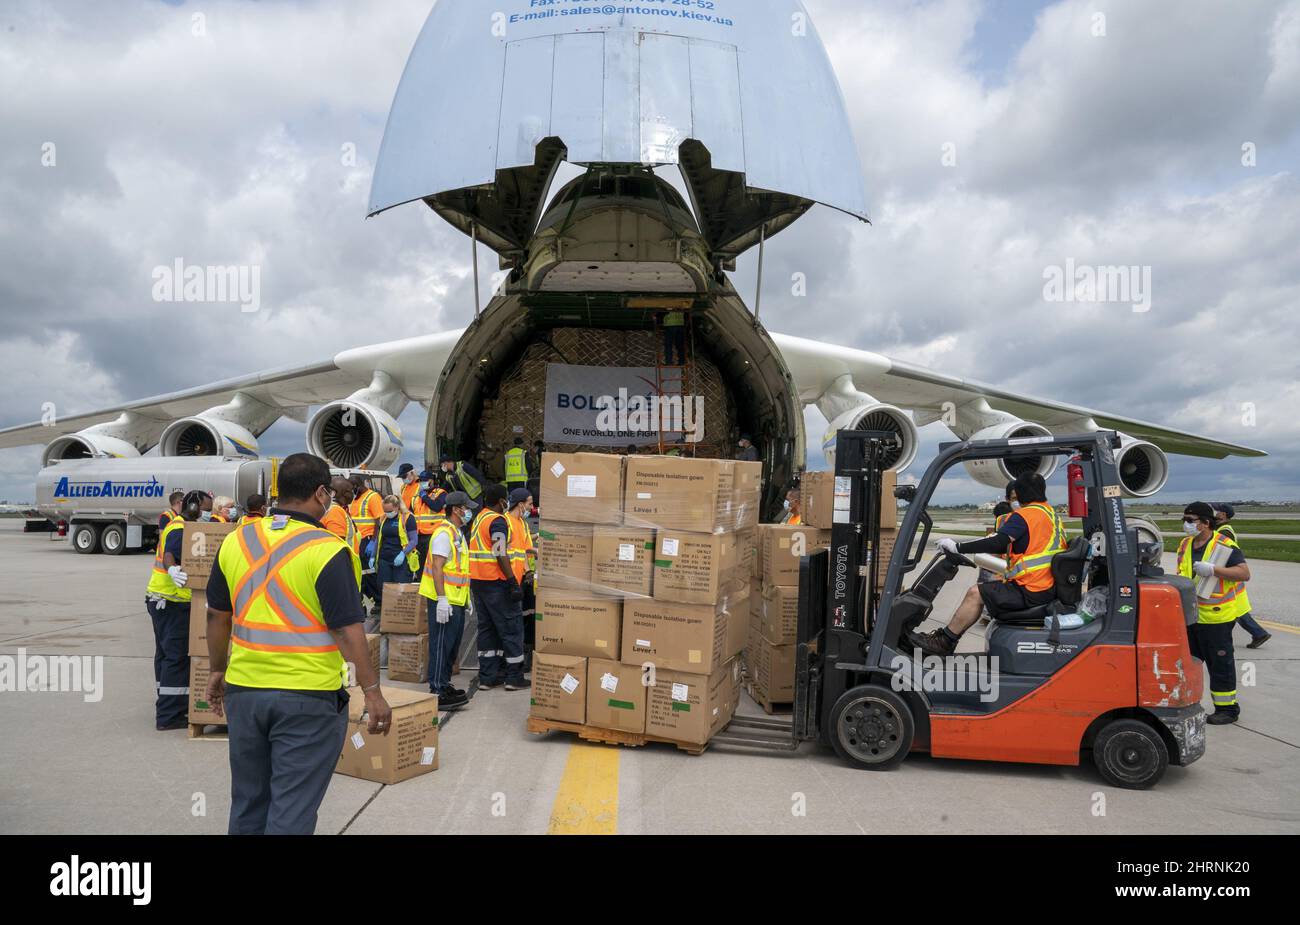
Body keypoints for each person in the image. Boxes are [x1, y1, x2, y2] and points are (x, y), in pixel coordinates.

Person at [202, 453, 391, 835]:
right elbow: (348, 631)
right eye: (330, 496)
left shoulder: (237, 539)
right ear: (321, 493)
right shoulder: (328, 549)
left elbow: (216, 616)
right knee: (292, 809)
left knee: (248, 803)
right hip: (307, 698)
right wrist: (372, 692)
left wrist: (218, 669)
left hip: (245, 692)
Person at [907, 473, 1067, 657]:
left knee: (975, 593)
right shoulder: (1051, 515)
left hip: (1031, 589)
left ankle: (944, 642)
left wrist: (957, 547)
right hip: (1043, 587)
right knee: (984, 589)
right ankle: (946, 640)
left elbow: (998, 543)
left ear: (1021, 494)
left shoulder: (1025, 516)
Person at [1179, 502, 1252, 725]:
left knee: (1219, 665)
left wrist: (1214, 570)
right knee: (1190, 661)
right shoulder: (1185, 544)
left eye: (1190, 520)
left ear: (1205, 523)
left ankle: (1227, 709)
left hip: (1217, 616)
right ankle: (1190, 701)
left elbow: (1243, 573)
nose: (1186, 524)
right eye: (1185, 519)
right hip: (1192, 615)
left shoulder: (1224, 544)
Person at [144, 489, 209, 730]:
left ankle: (166, 702)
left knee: (164, 655)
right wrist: (172, 569)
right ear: (193, 507)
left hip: (160, 599)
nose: (206, 514)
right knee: (176, 657)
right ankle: (170, 715)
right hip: (172, 601)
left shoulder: (180, 525)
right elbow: (170, 553)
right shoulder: (181, 528)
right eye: (204, 508)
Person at [468, 483, 528, 691]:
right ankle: (514, 677)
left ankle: (488, 676)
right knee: (511, 629)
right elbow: (499, 551)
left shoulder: (479, 518)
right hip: (497, 583)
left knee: (487, 629)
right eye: (505, 500)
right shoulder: (497, 521)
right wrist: (512, 581)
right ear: (501, 501)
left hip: (478, 582)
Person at [420, 491, 476, 710]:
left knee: (451, 647)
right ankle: (437, 690)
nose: (468, 511)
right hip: (444, 600)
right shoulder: (444, 533)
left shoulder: (456, 532)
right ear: (456, 509)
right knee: (441, 645)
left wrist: (466, 597)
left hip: (457, 599)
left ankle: (444, 683)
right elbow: (437, 567)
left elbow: (459, 569)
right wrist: (442, 599)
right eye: (466, 507)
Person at [1212, 503, 1270, 649]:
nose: (1214, 512)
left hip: (1227, 576)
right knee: (1237, 610)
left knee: (1234, 611)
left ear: (1223, 514)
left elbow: (1220, 554)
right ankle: (1258, 633)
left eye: (1216, 510)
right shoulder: (1221, 528)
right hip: (1227, 576)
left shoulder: (1224, 532)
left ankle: (1258, 633)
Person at [366, 495, 420, 617]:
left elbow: (414, 540)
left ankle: (402, 619)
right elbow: (380, 539)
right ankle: (389, 619)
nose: (387, 513)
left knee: (401, 590)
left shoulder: (407, 518)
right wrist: (373, 556)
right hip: (385, 559)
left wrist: (403, 553)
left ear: (396, 507)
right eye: (385, 510)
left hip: (401, 560)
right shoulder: (383, 518)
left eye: (389, 511)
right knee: (385, 590)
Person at [505, 487, 537, 669]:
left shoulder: (522, 523)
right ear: (520, 504)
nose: (532, 508)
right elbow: (507, 552)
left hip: (524, 577)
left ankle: (526, 655)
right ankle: (515, 663)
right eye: (530, 504)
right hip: (512, 580)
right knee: (516, 621)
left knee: (529, 616)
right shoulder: (506, 522)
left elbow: (526, 547)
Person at [349, 475, 385, 605]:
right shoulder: (355, 499)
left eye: (351, 488)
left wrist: (374, 541)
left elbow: (379, 521)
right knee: (361, 572)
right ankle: (372, 597)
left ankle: (379, 599)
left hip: (368, 538)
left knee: (368, 572)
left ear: (357, 486)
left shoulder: (372, 497)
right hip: (357, 540)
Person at [411, 475, 447, 567]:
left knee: (433, 564)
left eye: (424, 480)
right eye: (420, 481)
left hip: (434, 535)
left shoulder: (441, 493)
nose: (422, 483)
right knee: (421, 565)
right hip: (419, 536)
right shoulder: (416, 497)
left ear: (431, 480)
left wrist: (425, 497)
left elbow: (437, 506)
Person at [321, 477, 359, 553]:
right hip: (345, 561)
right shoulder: (335, 511)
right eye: (351, 491)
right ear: (345, 493)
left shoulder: (332, 508)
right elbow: (337, 547)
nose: (353, 494)